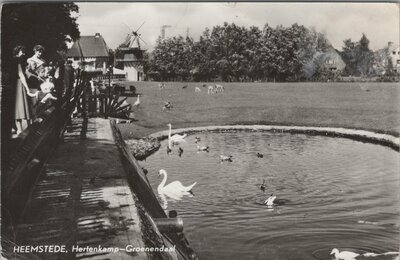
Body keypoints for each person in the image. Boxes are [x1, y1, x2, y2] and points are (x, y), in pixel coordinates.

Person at [13, 45, 31, 134]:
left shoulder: (11, 60)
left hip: (13, 84)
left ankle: (18, 129)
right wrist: (27, 88)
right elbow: (21, 74)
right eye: (22, 51)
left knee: (17, 108)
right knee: (20, 107)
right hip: (19, 84)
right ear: (18, 51)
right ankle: (21, 130)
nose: (23, 53)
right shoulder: (18, 60)